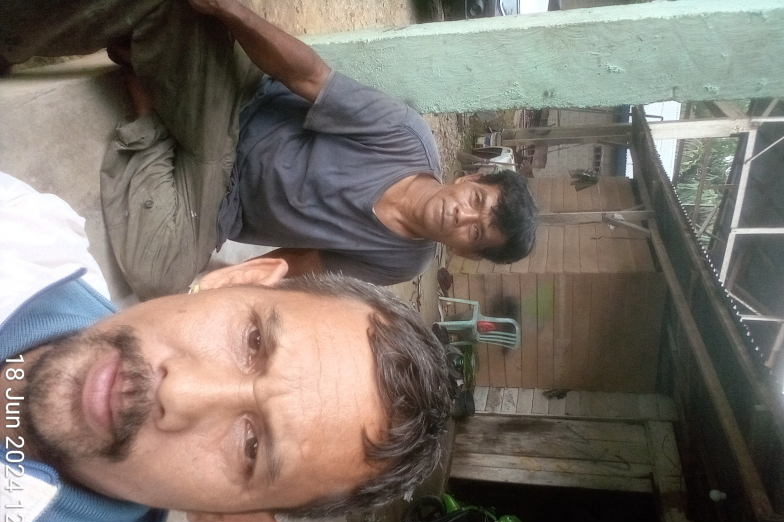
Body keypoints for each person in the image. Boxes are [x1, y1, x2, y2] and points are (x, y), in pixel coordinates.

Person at [0, 170, 450, 522]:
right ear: (235, 278)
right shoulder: (25, 225)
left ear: (232, 520)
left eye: (251, 446)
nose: (179, 393)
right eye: (253, 341)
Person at [0, 0, 538, 299]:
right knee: (174, 6)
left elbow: (298, 262)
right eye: (478, 202)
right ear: (471, 180)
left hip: (218, 203)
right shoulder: (404, 135)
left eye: (477, 233)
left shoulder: (403, 260)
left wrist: (226, 284)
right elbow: (308, 76)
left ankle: (152, 117)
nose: (464, 217)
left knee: (159, 278)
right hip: (236, 110)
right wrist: (232, 11)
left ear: (467, 253)